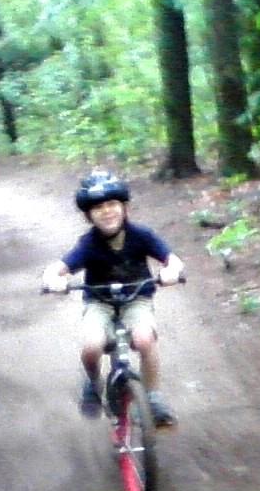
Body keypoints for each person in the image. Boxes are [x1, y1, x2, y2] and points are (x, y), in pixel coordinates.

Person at [41, 171, 185, 426]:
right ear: (89, 215)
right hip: (99, 302)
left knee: (144, 339)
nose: (106, 212)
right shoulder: (88, 244)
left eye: (112, 204)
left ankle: (152, 397)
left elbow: (171, 258)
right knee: (92, 346)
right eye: (98, 208)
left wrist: (171, 271)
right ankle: (93, 381)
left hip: (136, 299)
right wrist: (53, 279)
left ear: (124, 207)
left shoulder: (141, 235)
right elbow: (60, 267)